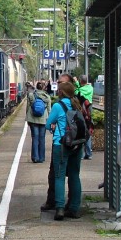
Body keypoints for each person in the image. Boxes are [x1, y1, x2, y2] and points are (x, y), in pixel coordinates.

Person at [46, 79, 85, 220]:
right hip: (77, 144)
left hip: (61, 145)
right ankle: (74, 208)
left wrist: (54, 128)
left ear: (61, 92)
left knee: (59, 176)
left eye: (58, 90)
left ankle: (60, 208)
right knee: (74, 175)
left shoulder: (58, 106)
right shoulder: (77, 105)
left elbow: (48, 124)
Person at [24, 81, 50, 163]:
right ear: (43, 88)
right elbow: (49, 110)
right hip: (43, 120)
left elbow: (28, 107)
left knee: (35, 138)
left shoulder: (31, 95)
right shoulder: (47, 97)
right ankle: (41, 158)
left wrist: (27, 119)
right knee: (42, 138)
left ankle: (35, 157)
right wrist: (49, 120)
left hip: (33, 119)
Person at [76, 76, 95, 159]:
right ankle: (88, 152)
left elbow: (77, 92)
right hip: (89, 110)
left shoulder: (81, 89)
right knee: (88, 130)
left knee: (82, 130)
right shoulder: (90, 88)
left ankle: (83, 153)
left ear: (80, 81)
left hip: (82, 110)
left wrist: (76, 83)